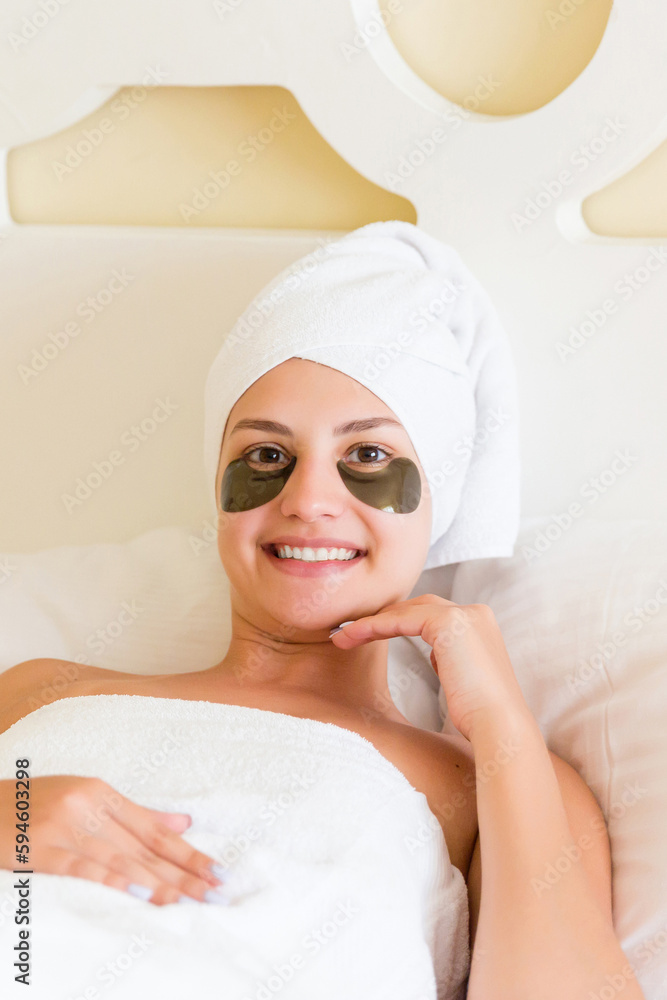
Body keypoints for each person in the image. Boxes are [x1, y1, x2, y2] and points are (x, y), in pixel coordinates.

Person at [0, 222, 645, 999]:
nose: (307, 500)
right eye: (267, 456)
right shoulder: (40, 691)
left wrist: (501, 722)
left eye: (367, 456)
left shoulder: (495, 784)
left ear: (436, 498)